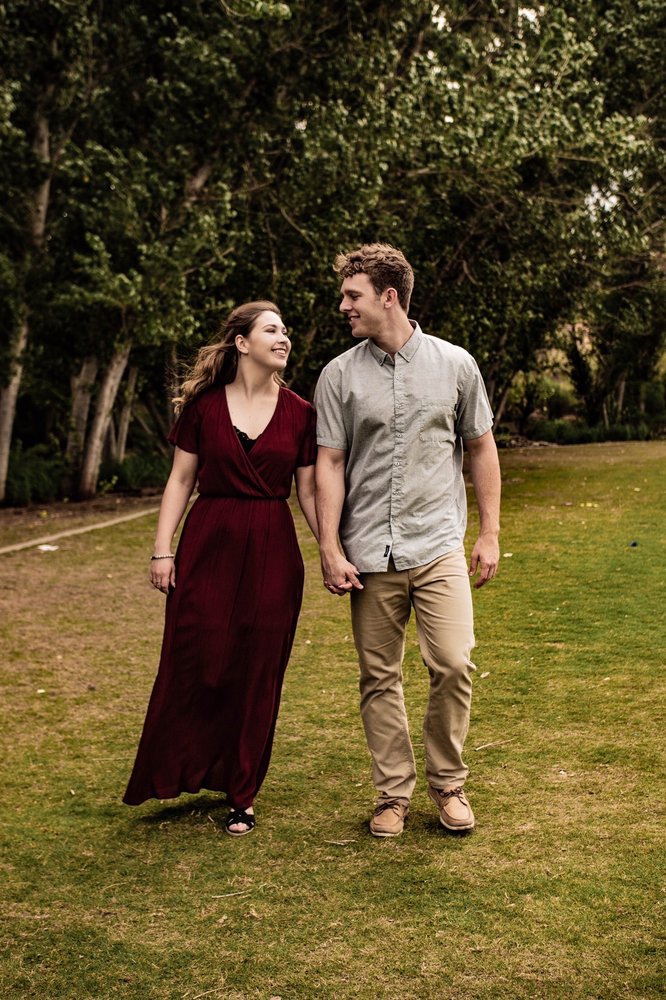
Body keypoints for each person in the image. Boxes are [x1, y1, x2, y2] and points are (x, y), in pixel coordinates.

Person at [314, 243, 500, 837]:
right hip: (369, 553)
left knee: (453, 662)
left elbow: (481, 447)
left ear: (388, 296)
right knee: (378, 677)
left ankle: (448, 784)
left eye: (353, 295)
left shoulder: (456, 365)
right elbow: (329, 463)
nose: (344, 306)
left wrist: (489, 533)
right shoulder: (338, 375)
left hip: (437, 543)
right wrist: (329, 547)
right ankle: (392, 794)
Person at [124, 301, 318, 836]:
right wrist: (162, 550)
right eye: (272, 329)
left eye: (285, 330)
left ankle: (242, 793)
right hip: (208, 544)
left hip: (273, 549)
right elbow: (180, 480)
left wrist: (332, 549)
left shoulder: (301, 412)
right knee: (196, 660)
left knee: (258, 670)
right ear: (242, 342)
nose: (284, 337)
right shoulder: (204, 407)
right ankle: (178, 769)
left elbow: (308, 492)